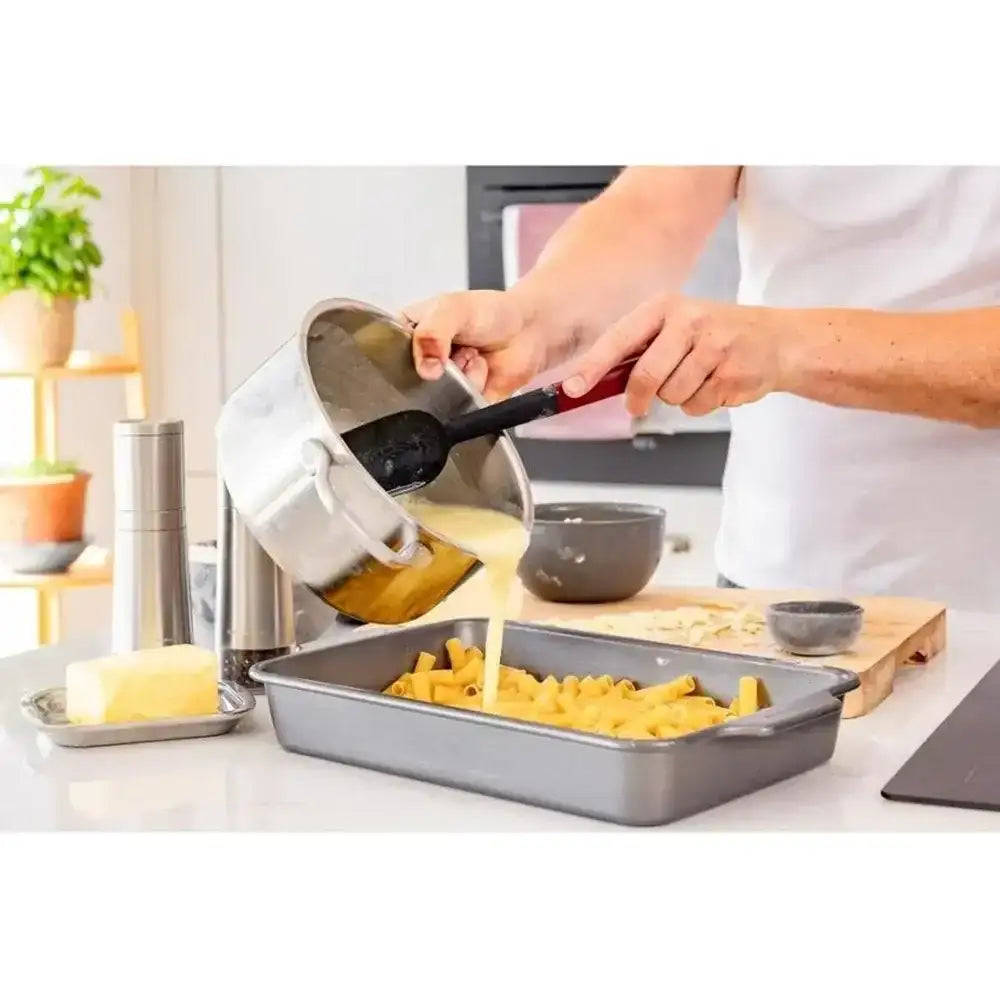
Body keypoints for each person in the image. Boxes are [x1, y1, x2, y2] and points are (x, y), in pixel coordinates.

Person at [402, 167, 1000, 612]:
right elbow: (651, 213)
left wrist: (783, 346)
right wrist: (531, 317)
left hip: (980, 598)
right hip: (768, 584)